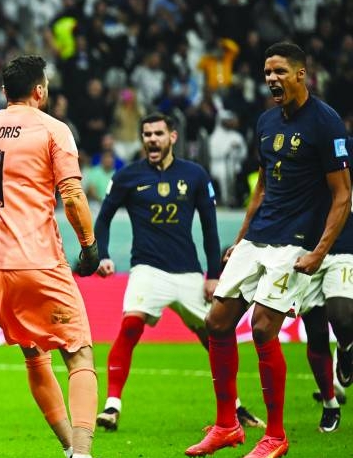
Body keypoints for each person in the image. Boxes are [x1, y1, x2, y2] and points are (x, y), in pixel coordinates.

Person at [0, 54, 123, 458]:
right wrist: (89, 247)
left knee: (33, 354)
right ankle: (83, 456)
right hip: (39, 260)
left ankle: (70, 450)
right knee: (78, 350)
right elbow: (72, 196)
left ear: (5, 92)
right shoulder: (53, 130)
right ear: (40, 91)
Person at [185, 42, 351, 458]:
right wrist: (241, 237)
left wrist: (319, 251)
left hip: (295, 241)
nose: (272, 79)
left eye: (279, 71)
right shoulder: (265, 121)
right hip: (259, 235)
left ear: (301, 74)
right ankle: (227, 425)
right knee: (216, 322)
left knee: (262, 327)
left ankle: (275, 435)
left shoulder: (326, 123)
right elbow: (262, 186)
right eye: (266, 72)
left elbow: (342, 195)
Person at [93, 113, 264, 431]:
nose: (151, 139)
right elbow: (102, 219)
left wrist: (214, 274)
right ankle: (112, 406)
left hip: (188, 272)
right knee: (131, 325)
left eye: (158, 133)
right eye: (146, 134)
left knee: (214, 335)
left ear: (172, 137)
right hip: (146, 268)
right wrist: (102, 255)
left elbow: (210, 226)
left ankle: (235, 406)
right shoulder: (128, 176)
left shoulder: (195, 175)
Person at [294, 213, 353, 432]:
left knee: (342, 318)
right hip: (306, 249)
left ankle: (345, 348)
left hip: (344, 247)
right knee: (316, 334)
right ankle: (330, 404)